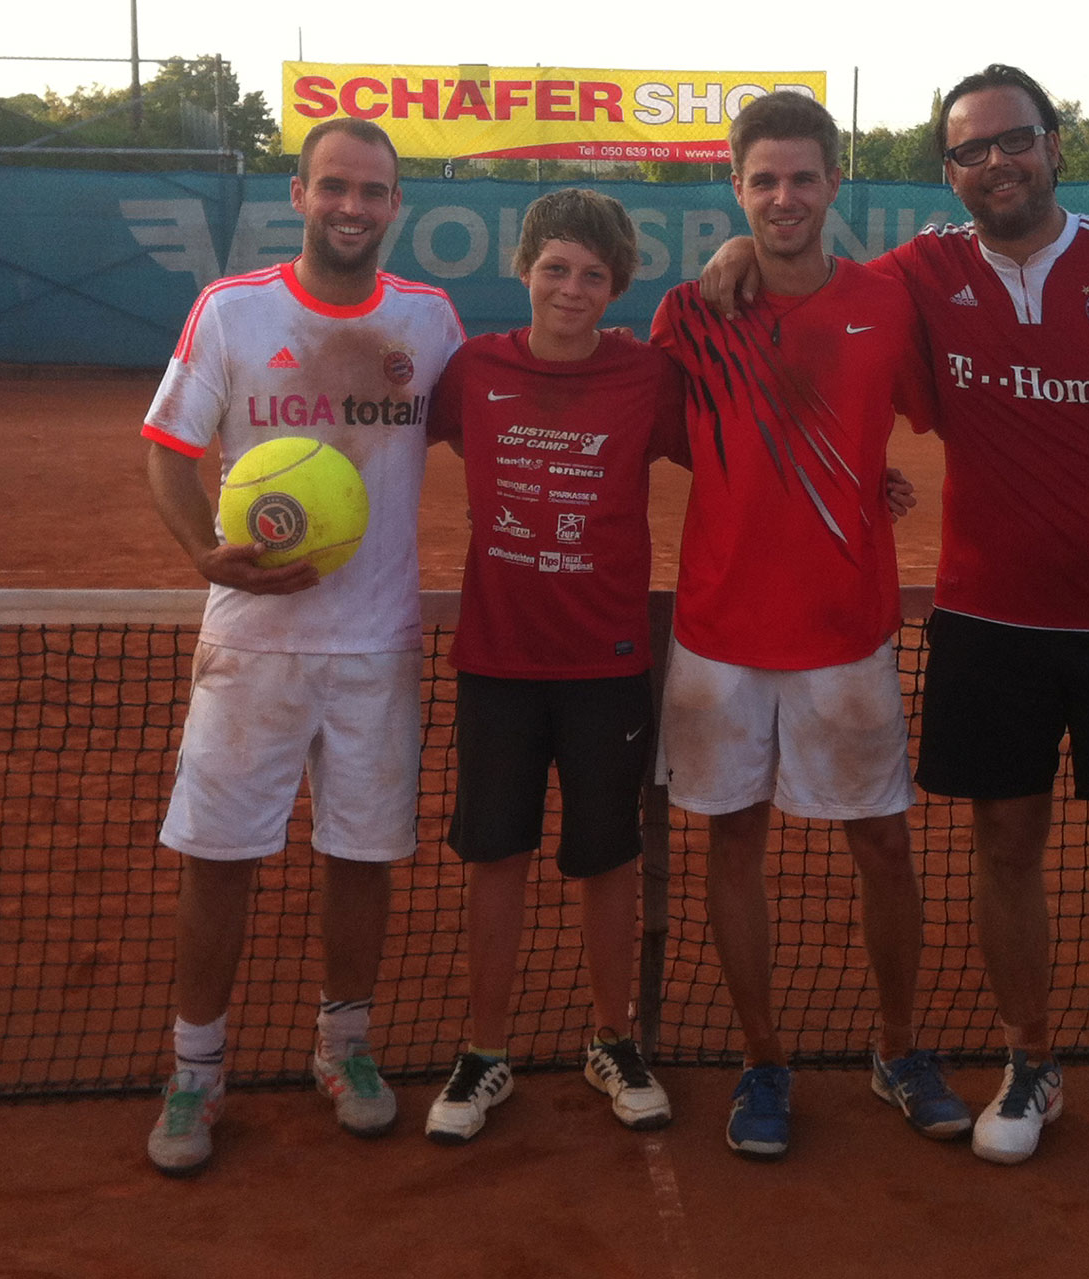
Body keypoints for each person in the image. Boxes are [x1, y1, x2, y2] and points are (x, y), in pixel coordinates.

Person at [702, 64, 1089, 1206]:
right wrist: (736, 256)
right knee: (1005, 851)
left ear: (1053, 146)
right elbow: (814, 291)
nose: (995, 163)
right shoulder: (923, 272)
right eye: (969, 151)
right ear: (946, 172)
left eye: (1014, 142)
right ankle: (1031, 1064)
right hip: (987, 620)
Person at [141, 118, 465, 1176]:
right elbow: (170, 452)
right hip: (254, 645)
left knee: (362, 856)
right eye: (336, 186)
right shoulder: (233, 309)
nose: (353, 208)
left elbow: (511, 406)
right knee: (220, 855)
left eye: (373, 192)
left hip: (377, 646)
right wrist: (205, 552)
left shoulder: (429, 319)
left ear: (394, 205)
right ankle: (196, 1070)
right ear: (301, 190)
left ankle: (346, 1049)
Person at [651, 90, 969, 1161]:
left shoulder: (889, 302)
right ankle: (764, 1058)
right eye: (762, 181)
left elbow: (934, 415)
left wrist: (861, 481)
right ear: (736, 190)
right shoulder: (691, 312)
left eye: (802, 177)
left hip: (847, 633)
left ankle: (896, 1046)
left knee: (883, 842)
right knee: (733, 840)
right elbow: (675, 435)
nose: (783, 196)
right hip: (719, 636)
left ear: (835, 183)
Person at [420, 189, 687, 1143]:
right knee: (495, 853)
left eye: (594, 274)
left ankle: (612, 1037)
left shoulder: (648, 377)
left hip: (608, 663)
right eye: (556, 268)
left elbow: (745, 456)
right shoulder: (472, 369)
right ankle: (484, 1049)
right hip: (497, 661)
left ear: (617, 286)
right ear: (525, 269)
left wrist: (866, 477)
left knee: (607, 854)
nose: (572, 288)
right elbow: (388, 435)